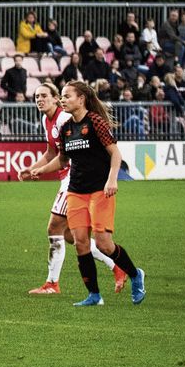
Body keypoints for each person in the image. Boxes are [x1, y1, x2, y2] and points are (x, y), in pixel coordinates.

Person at [24, 81, 146, 306]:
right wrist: (39, 170)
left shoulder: (96, 122)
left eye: (67, 96)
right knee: (80, 242)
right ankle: (94, 295)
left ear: (81, 99)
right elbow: (61, 159)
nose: (63, 100)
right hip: (76, 192)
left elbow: (115, 154)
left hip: (100, 190)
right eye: (62, 96)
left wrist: (112, 180)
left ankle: (135, 274)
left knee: (103, 244)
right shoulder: (66, 128)